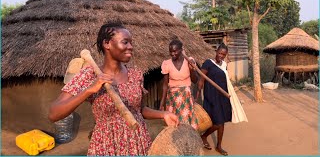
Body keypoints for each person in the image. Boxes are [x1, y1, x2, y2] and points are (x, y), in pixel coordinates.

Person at [48, 22, 179, 156]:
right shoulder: (89, 75)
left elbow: (138, 110)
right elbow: (54, 114)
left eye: (131, 43)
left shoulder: (135, 75)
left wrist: (163, 114)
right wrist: (89, 90)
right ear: (107, 44)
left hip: (138, 143)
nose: (130, 47)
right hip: (107, 145)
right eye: (125, 42)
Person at [196, 43, 248, 156]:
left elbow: (226, 80)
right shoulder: (208, 63)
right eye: (219, 53)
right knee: (217, 122)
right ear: (216, 51)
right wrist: (198, 93)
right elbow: (201, 79)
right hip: (212, 96)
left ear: (225, 55)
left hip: (223, 96)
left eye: (223, 54)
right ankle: (204, 136)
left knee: (222, 121)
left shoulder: (224, 64)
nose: (221, 56)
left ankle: (219, 146)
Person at [159, 39, 199, 130]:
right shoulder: (166, 64)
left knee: (186, 123)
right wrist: (162, 102)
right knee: (174, 124)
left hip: (186, 97)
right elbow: (165, 85)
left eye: (175, 51)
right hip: (172, 98)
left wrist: (192, 68)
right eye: (171, 52)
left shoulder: (189, 60)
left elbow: (195, 80)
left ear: (181, 50)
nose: (172, 54)